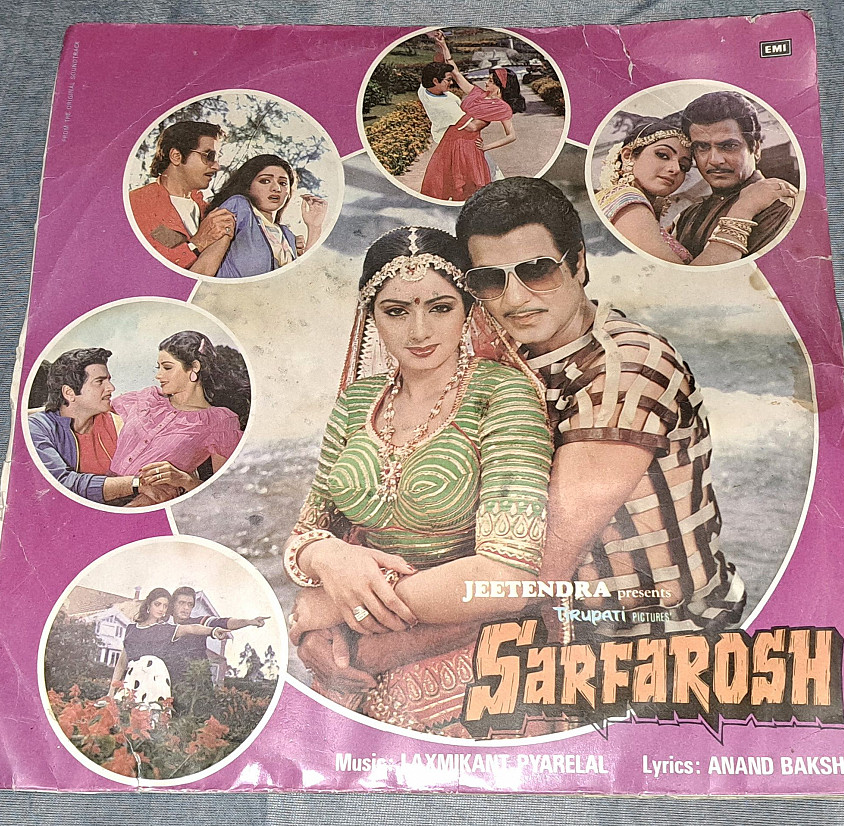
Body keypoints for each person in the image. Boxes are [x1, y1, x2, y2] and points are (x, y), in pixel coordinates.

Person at [299, 180, 747, 734]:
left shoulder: (624, 370)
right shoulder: (496, 356)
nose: (514, 299)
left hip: (652, 642)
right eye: (490, 280)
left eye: (537, 270)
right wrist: (331, 569)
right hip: (531, 627)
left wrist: (344, 623)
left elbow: (533, 571)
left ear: (579, 265)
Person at [285, 226, 553, 736]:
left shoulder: (501, 393)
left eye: (440, 307)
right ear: (372, 316)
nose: (419, 331)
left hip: (477, 658)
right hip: (357, 665)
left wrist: (335, 604)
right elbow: (307, 532)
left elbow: (507, 577)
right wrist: (327, 559)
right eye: (396, 311)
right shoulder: (357, 402)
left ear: (468, 311)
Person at [597, 115, 797, 265]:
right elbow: (690, 281)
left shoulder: (682, 217)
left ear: (756, 149)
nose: (675, 169)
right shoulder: (627, 200)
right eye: (663, 155)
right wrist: (744, 208)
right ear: (628, 155)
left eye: (684, 166)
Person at [109, 331, 249, 506]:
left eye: (167, 368)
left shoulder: (220, 421)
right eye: (158, 368)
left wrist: (184, 480)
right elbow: (96, 413)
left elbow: (223, 493)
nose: (158, 375)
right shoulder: (147, 399)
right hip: (104, 489)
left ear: (194, 367)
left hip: (144, 504)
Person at [28, 348, 181, 504]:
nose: (111, 388)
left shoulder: (120, 421)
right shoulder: (38, 428)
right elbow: (60, 484)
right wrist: (135, 484)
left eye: (108, 380)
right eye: (100, 381)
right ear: (69, 393)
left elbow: (160, 478)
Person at [674, 91, 798, 260]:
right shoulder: (688, 216)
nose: (715, 160)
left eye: (729, 146)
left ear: (756, 149)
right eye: (702, 147)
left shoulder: (780, 205)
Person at [128, 121, 236, 275]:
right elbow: (146, 270)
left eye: (217, 158)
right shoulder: (137, 204)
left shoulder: (208, 210)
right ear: (176, 156)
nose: (216, 166)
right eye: (209, 156)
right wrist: (198, 243)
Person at [419, 46, 523, 202]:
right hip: (449, 140)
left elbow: (511, 135)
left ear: (499, 86)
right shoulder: (478, 93)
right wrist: (444, 45)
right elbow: (456, 73)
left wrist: (487, 147)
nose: (486, 82)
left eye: (490, 81)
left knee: (466, 188)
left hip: (467, 147)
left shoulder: (502, 107)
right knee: (439, 182)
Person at [204, 154, 328, 279]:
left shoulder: (287, 235)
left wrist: (314, 227)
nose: (276, 188)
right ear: (247, 186)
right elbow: (205, 270)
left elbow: (305, 278)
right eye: (265, 181)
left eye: (283, 183)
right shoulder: (238, 207)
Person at [106, 588, 227, 704]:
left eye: (165, 606)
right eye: (157, 604)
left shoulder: (165, 629)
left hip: (155, 684)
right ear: (148, 604)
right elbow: (121, 664)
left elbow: (191, 628)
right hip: (132, 681)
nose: (161, 609)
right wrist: (111, 692)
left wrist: (213, 631)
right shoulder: (131, 629)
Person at [162, 586, 269, 688]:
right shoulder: (162, 628)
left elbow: (223, 622)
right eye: (181, 603)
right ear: (173, 605)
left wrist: (249, 622)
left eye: (190, 604)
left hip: (197, 686)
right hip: (170, 685)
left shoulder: (199, 622)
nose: (186, 608)